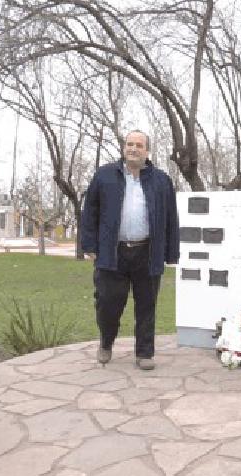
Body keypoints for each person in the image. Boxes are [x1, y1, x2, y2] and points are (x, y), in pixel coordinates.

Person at [80, 130, 180, 370]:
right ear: (124, 148)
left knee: (147, 305)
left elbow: (171, 218)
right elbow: (89, 212)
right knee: (107, 304)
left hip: (147, 252)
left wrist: (171, 252)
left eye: (139, 145)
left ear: (147, 151)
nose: (133, 148)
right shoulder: (104, 176)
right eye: (129, 144)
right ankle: (106, 341)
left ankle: (144, 353)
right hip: (112, 253)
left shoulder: (161, 181)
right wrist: (89, 245)